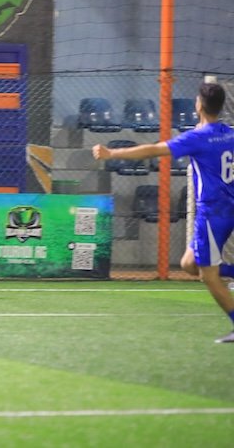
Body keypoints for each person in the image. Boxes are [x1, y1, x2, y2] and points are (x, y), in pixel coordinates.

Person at [92, 82, 234, 344]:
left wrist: (111, 153)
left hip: (212, 212)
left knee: (208, 276)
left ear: (199, 105)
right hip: (228, 208)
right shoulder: (229, 133)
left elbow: (154, 150)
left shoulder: (198, 138)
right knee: (188, 264)